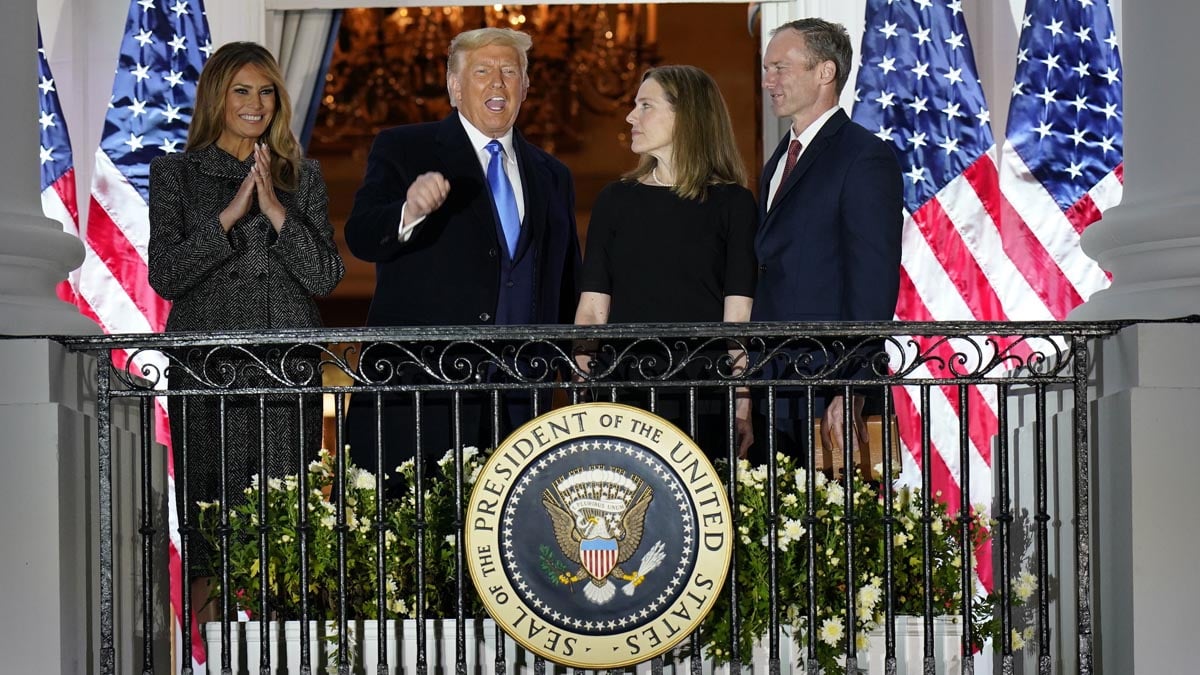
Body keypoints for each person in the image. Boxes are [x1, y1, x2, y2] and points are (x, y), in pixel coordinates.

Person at [147, 42, 344, 595]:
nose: (255, 104)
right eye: (242, 90)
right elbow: (166, 274)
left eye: (265, 92)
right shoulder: (175, 174)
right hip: (209, 373)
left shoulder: (301, 176)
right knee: (210, 536)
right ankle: (209, 655)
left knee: (284, 536)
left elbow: (326, 276)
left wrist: (277, 212)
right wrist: (229, 217)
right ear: (217, 96)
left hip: (283, 375)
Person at [344, 28, 580, 476]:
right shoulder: (405, 148)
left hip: (521, 404)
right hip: (423, 394)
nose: (498, 83)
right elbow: (360, 236)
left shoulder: (554, 175)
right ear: (454, 87)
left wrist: (574, 361)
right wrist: (408, 210)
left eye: (509, 72)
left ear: (526, 87)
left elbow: (565, 282)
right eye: (483, 71)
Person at [574, 65, 757, 460]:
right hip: (622, 387)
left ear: (686, 115)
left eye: (645, 106)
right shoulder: (614, 201)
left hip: (703, 389)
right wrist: (580, 389)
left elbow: (738, 316)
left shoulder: (734, 204)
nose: (630, 117)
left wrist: (743, 401)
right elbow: (592, 308)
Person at [752, 19, 903, 459]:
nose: (767, 80)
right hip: (774, 384)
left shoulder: (864, 157)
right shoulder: (779, 160)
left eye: (780, 67)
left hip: (827, 387)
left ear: (825, 72)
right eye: (766, 68)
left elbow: (872, 282)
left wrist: (852, 385)